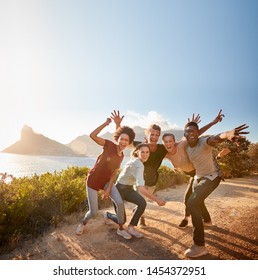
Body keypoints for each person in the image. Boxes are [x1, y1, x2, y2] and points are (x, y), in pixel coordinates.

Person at [183, 121, 249, 258]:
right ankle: (207, 221)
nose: (191, 133)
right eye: (188, 131)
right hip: (198, 177)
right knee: (198, 201)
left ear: (198, 132)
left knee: (192, 203)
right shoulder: (186, 146)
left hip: (212, 177)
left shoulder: (204, 142)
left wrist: (226, 134)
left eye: (194, 130)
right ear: (185, 134)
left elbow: (216, 138)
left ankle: (199, 246)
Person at [162, 110, 230, 228]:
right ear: (163, 143)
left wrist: (213, 122)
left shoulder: (182, 143)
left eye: (170, 141)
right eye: (166, 142)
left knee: (189, 198)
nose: (169, 144)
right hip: (191, 174)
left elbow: (197, 133)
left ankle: (186, 218)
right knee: (196, 199)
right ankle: (207, 220)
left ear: (174, 141)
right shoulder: (166, 153)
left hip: (197, 172)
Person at [75, 116, 136, 240]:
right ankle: (82, 223)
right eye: (121, 139)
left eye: (126, 140)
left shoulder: (122, 155)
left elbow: (113, 173)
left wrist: (108, 189)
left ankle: (120, 229)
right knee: (93, 211)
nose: (123, 142)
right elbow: (92, 135)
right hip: (93, 181)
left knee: (119, 203)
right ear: (117, 139)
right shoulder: (108, 145)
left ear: (129, 142)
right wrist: (106, 123)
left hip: (106, 181)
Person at [103, 143, 166, 238]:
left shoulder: (135, 161)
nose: (145, 154)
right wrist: (157, 199)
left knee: (142, 203)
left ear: (149, 153)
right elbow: (141, 187)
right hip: (119, 190)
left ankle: (131, 227)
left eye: (147, 152)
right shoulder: (139, 165)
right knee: (122, 220)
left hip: (128, 189)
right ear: (137, 152)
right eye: (142, 152)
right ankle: (108, 215)